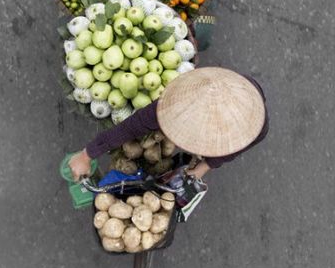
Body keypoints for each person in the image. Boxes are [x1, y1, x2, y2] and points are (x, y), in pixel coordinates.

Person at [68, 67, 268, 182]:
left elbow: (230, 151)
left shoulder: (254, 126)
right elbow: (128, 128)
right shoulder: (173, 104)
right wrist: (87, 154)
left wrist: (205, 166)